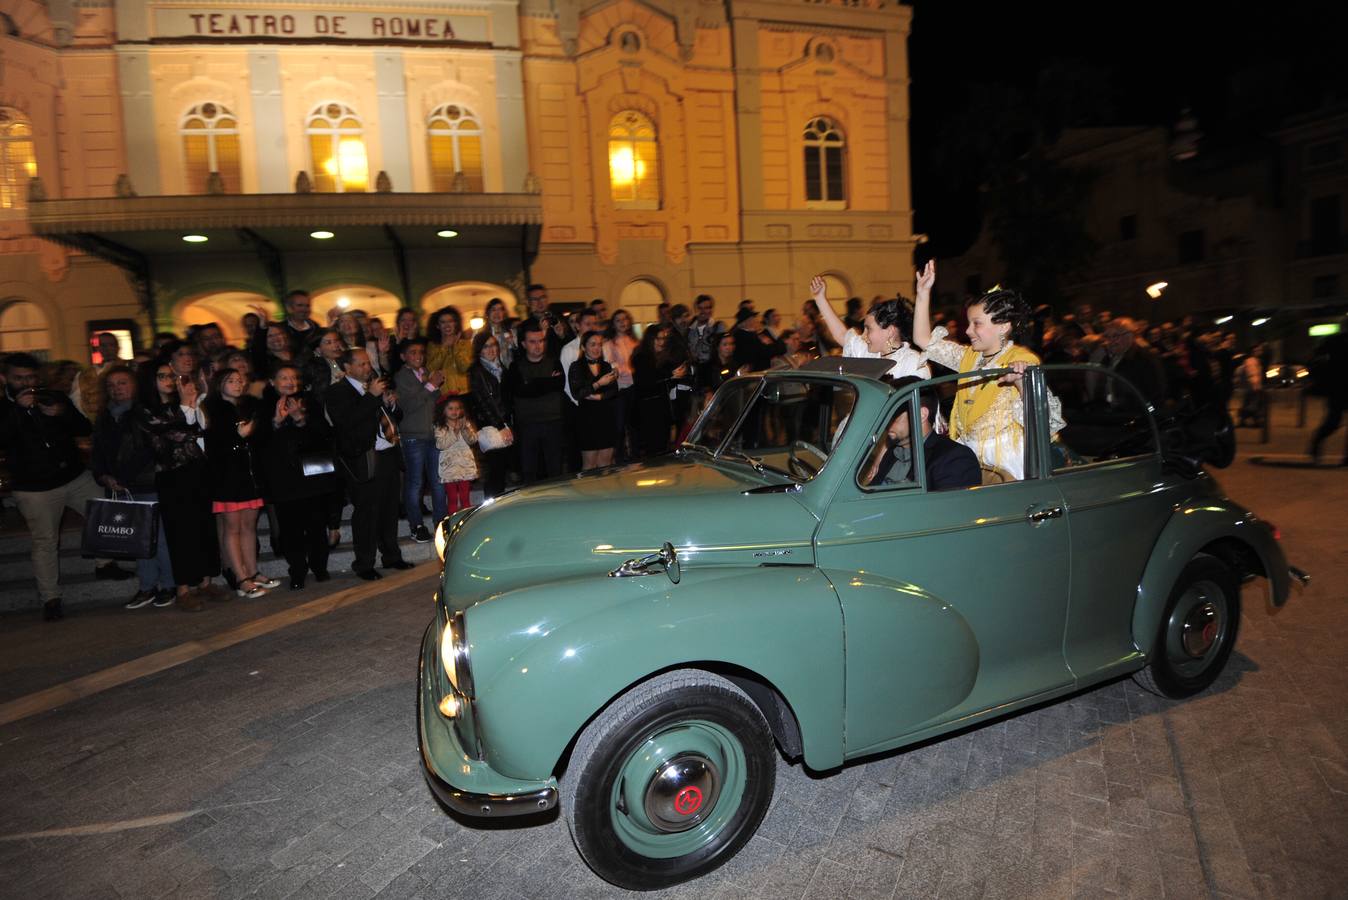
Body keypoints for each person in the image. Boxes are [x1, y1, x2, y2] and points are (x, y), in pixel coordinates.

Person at [911, 261, 1063, 481]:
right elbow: (923, 340)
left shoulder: (1022, 360)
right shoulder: (968, 357)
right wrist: (923, 293)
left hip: (1005, 462)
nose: (967, 330)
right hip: (967, 457)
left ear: (1003, 327)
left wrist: (1020, 380)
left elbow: (1042, 421)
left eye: (976, 323)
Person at [0, 353, 108, 620]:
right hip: (34, 488)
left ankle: (105, 563)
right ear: (5, 378)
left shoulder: (53, 397)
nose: (26, 382)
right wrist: (19, 411)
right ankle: (50, 598)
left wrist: (61, 414)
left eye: (31, 377)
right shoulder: (3, 408)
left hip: (73, 476)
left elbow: (83, 427)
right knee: (45, 541)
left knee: (103, 513)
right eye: (19, 378)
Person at [139, 356, 226, 611]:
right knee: (181, 531)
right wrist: (189, 406)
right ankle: (183, 588)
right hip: (172, 476)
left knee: (204, 527)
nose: (169, 381)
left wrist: (193, 404)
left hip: (198, 472)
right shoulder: (147, 410)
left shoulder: (182, 404)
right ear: (150, 381)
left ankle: (206, 581)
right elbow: (179, 435)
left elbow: (204, 430)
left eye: (171, 376)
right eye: (162, 377)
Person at [324, 348, 413, 579]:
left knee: (389, 508)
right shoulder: (337, 392)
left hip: (388, 454)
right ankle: (364, 564)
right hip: (363, 458)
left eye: (368, 363)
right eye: (362, 364)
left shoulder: (375, 386)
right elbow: (347, 422)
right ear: (347, 368)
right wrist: (372, 397)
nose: (367, 368)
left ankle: (392, 556)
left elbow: (395, 417)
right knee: (367, 512)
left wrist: (391, 404)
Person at [91, 366, 175, 609]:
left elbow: (150, 452)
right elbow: (98, 454)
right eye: (111, 385)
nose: (116, 389)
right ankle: (147, 587)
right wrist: (104, 476)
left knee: (158, 539)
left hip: (146, 484)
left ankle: (169, 584)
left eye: (122, 383)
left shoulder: (145, 413)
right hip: (119, 488)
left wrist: (123, 476)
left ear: (134, 385)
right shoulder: (105, 416)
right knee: (137, 541)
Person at [258, 363, 334, 590]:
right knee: (290, 530)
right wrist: (276, 422)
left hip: (312, 477)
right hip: (283, 479)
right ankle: (297, 571)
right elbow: (259, 442)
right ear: (273, 382)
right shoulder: (263, 406)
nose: (290, 382)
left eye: (293, 378)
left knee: (316, 526)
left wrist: (301, 419)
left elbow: (325, 436)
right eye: (283, 378)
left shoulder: (309, 402)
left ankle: (320, 568)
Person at [203, 368, 277, 598]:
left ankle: (252, 571)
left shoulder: (248, 406)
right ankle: (240, 577)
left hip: (250, 475)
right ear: (219, 384)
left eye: (239, 380)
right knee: (232, 527)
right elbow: (213, 445)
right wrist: (238, 437)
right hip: (226, 477)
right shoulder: (212, 409)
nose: (237, 383)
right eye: (230, 380)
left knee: (248, 526)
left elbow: (262, 438)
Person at [863, 377, 981, 490]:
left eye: (893, 414)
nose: (884, 420)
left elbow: (949, 509)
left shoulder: (953, 459)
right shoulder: (893, 451)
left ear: (921, 415)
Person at [808, 276, 928, 378]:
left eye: (868, 329)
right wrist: (820, 299)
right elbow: (842, 335)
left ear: (890, 331)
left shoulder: (913, 363)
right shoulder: (869, 353)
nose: (863, 336)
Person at [394, 337, 448, 542]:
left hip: (432, 433)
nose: (418, 356)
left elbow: (433, 400)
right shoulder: (401, 377)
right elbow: (408, 405)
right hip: (412, 436)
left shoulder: (425, 373)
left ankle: (440, 522)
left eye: (421, 352)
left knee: (438, 481)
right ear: (403, 357)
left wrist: (434, 386)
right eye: (413, 353)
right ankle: (416, 524)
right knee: (415, 482)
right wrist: (430, 385)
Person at [507, 321, 566, 483]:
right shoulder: (516, 367)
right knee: (529, 472)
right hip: (527, 425)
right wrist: (547, 382)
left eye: (541, 341)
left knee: (555, 471)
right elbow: (520, 391)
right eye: (532, 342)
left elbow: (559, 384)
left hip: (553, 422)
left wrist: (532, 383)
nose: (538, 345)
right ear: (524, 344)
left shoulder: (554, 361)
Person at [632, 323, 693, 456]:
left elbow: (670, 376)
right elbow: (646, 381)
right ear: (650, 339)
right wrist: (670, 375)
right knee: (652, 447)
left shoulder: (665, 358)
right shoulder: (641, 357)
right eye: (658, 339)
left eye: (664, 339)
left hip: (663, 406)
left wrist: (677, 374)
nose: (662, 342)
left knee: (664, 445)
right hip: (648, 408)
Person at [468, 332, 513, 499]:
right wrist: (500, 425)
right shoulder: (476, 371)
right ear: (479, 350)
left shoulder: (502, 367)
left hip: (505, 423)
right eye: (486, 346)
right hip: (491, 425)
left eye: (494, 345)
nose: (491, 349)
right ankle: (490, 508)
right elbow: (484, 401)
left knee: (501, 471)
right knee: (495, 471)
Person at [569, 329, 620, 469]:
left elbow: (614, 390)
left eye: (599, 344)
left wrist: (598, 396)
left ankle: (607, 491)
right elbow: (577, 393)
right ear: (584, 347)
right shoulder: (576, 367)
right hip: (587, 417)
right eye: (593, 344)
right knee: (590, 464)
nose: (597, 348)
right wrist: (599, 384)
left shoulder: (606, 365)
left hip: (606, 415)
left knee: (606, 462)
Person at [1092, 318, 1167, 409]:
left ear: (1129, 336)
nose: (1110, 341)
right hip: (1112, 415)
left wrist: (1146, 415)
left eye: (1115, 336)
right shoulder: (1107, 359)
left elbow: (1155, 394)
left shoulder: (1145, 358)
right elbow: (1101, 390)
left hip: (1135, 416)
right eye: (1107, 337)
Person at [1308, 324, 1348, 465]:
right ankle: (1316, 443)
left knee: (1333, 421)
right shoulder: (1335, 340)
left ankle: (1316, 444)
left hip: (1336, 387)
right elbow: (1317, 356)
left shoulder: (1333, 340)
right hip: (1338, 387)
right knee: (1333, 421)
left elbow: (1317, 355)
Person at [605, 308, 639, 460]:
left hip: (634, 388)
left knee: (634, 425)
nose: (623, 322)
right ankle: (620, 458)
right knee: (619, 427)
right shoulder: (609, 344)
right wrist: (629, 370)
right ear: (613, 324)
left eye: (625, 319)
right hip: (619, 389)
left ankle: (635, 456)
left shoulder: (635, 342)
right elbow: (612, 365)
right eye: (618, 320)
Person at [435, 396, 478, 514]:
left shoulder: (465, 424)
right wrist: (454, 432)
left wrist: (464, 430)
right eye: (451, 408)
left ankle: (466, 525)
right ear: (443, 410)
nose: (455, 411)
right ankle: (453, 526)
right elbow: (441, 445)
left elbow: (472, 440)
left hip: (465, 464)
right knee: (452, 499)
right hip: (450, 466)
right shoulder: (441, 426)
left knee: (465, 498)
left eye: (457, 408)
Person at [69, 331, 122, 420]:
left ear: (117, 347)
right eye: (103, 345)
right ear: (98, 348)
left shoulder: (125, 368)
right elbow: (75, 397)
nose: (107, 349)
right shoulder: (84, 374)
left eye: (111, 345)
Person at [427, 306, 474, 397]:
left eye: (450, 321)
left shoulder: (466, 343)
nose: (447, 325)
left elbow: (465, 368)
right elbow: (431, 368)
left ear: (455, 323)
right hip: (445, 394)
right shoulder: (432, 345)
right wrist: (444, 347)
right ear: (438, 326)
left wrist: (455, 346)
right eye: (443, 322)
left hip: (466, 392)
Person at [561, 307, 600, 403]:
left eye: (594, 324)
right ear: (578, 326)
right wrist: (577, 403)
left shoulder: (602, 346)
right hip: (578, 403)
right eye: (587, 324)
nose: (592, 327)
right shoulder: (569, 350)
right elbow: (566, 382)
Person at [686, 294, 725, 367]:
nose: (703, 311)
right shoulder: (689, 329)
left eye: (706, 308)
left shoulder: (718, 327)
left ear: (711, 310)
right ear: (695, 310)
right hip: (694, 371)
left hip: (713, 370)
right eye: (700, 308)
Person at [281, 289, 323, 356]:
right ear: (289, 308)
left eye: (307, 306)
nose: (304, 309)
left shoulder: (316, 329)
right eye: (300, 305)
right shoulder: (280, 330)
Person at [483, 297, 518, 370]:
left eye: (500, 309)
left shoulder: (510, 331)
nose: (497, 313)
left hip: (509, 372)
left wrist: (513, 344)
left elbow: (518, 352)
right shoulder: (482, 334)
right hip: (490, 371)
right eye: (493, 310)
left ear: (504, 313)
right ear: (488, 313)